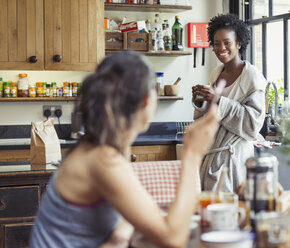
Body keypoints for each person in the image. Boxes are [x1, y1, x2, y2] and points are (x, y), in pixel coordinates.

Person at [30, 51, 219, 248]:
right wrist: (192, 155)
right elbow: (173, 240)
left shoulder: (103, 147)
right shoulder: (102, 159)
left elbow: (123, 222)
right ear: (147, 100)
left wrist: (117, 238)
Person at [192, 13, 266, 192]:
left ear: (238, 43)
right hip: (211, 155)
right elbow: (207, 119)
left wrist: (217, 100)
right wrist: (201, 101)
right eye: (216, 43)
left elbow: (252, 125)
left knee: (231, 213)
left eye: (227, 42)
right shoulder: (216, 73)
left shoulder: (252, 77)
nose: (221, 48)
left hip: (235, 159)